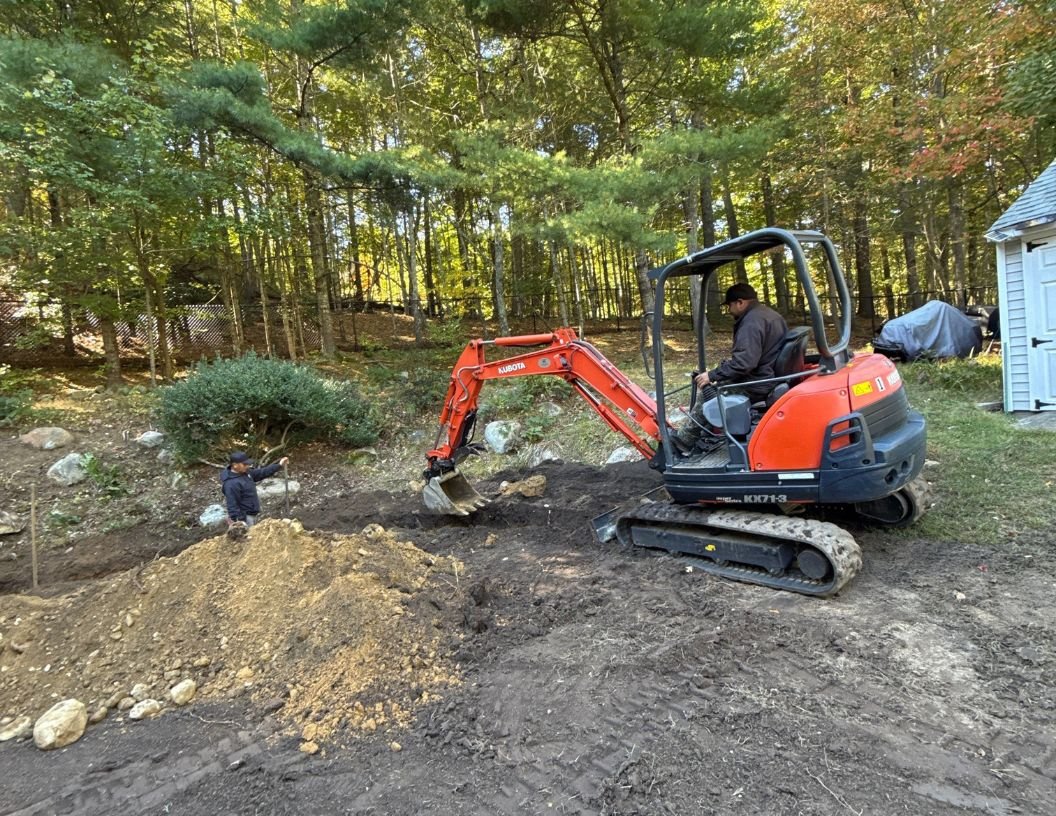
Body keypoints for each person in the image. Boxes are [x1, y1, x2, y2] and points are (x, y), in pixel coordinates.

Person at [671, 283, 788, 454]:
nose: (729, 310)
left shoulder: (751, 323)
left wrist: (711, 375)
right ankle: (709, 433)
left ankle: (683, 441)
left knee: (711, 395)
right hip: (771, 374)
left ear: (740, 302)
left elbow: (744, 363)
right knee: (719, 385)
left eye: (730, 305)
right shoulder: (770, 315)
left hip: (759, 382)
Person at [220, 451, 290, 529]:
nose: (247, 466)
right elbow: (232, 505)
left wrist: (279, 465)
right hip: (245, 518)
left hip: (252, 513)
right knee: (249, 538)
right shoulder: (231, 484)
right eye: (244, 464)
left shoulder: (246, 473)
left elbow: (261, 473)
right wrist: (239, 523)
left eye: (247, 464)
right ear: (235, 465)